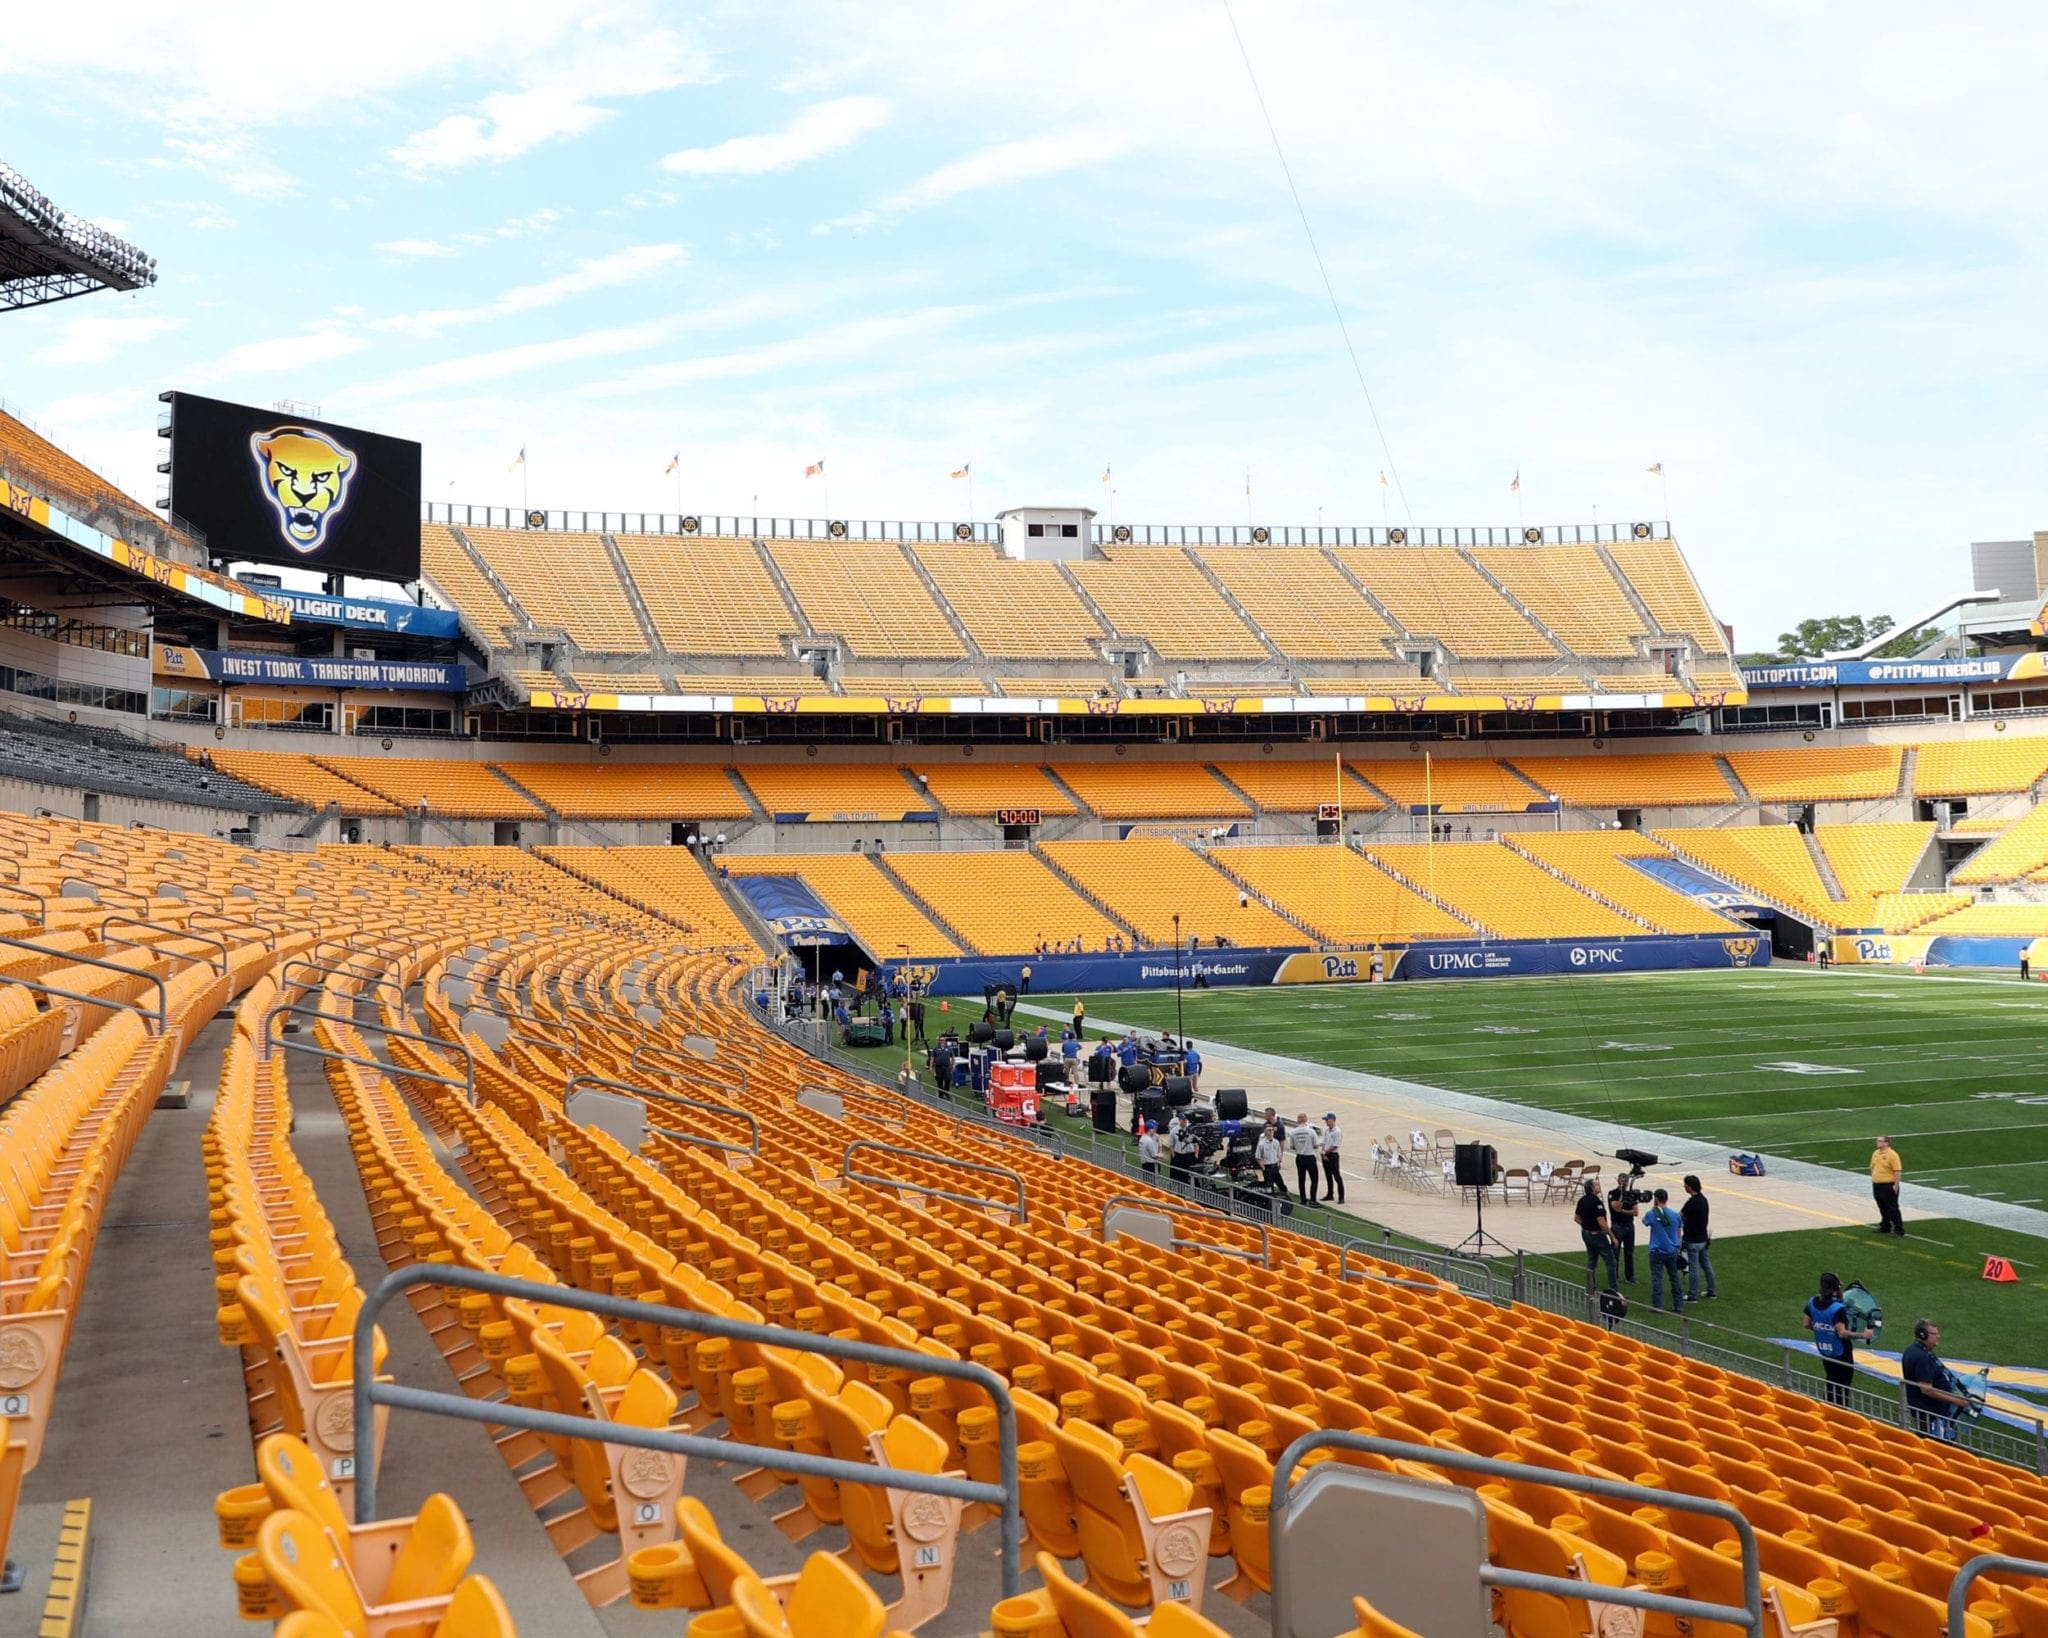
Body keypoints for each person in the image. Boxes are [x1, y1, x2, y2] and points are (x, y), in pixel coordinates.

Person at [1900, 1319, 1973, 1440]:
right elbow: (1926, 1389)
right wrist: (1956, 1400)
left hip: (1925, 1411)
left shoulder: (1913, 1351)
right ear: (1923, 1335)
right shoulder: (1922, 1357)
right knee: (1937, 1446)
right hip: (1931, 1414)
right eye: (1934, 1334)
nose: (1938, 1337)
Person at [1803, 1271, 1867, 1407]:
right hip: (1841, 1353)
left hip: (1825, 1350)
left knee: (1831, 1379)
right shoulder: (1837, 1309)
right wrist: (1863, 1335)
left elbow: (1806, 1324)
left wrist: (1823, 1329)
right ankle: (1839, 1413)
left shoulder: (1812, 1302)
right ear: (1835, 1289)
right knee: (1843, 1386)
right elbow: (1842, 1333)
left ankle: (1827, 1407)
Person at [1575, 1177, 1619, 1296]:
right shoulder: (1597, 1203)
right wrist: (1612, 1236)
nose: (1599, 1186)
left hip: (1586, 1233)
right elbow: (1601, 1222)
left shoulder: (1582, 1200)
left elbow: (1577, 1218)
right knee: (1610, 1261)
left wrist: (1586, 1225)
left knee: (1591, 1260)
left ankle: (1590, 1287)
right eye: (1597, 1185)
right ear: (1593, 1189)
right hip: (1597, 1235)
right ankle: (1614, 1291)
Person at [1643, 1188, 1684, 1314]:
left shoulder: (1652, 1214)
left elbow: (1645, 1222)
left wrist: (1654, 1207)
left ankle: (1657, 1305)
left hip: (1657, 1251)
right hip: (1671, 1251)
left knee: (1657, 1279)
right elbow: (1679, 1233)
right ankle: (1678, 1306)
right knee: (1674, 1278)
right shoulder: (1675, 1215)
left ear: (1656, 1199)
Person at [1680, 1174, 1716, 1301]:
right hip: (1703, 1238)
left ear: (1689, 1187)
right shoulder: (1703, 1199)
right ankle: (1711, 1290)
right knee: (1706, 1264)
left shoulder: (1692, 1202)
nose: (1684, 1187)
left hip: (1692, 1239)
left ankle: (1692, 1294)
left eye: (1685, 1185)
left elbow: (1681, 1215)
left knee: (1694, 1267)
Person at [1605, 1177, 1639, 1285]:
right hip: (1617, 1226)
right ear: (1618, 1181)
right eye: (1622, 1181)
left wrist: (1623, 1211)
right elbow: (1616, 1207)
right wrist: (1621, 1196)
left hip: (1629, 1226)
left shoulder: (1631, 1194)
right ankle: (1615, 1277)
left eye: (1625, 1181)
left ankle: (1630, 1277)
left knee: (1629, 1252)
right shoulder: (1612, 1193)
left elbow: (1635, 1212)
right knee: (1615, 1253)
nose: (1623, 1183)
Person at [1870, 1135, 1905, 1236]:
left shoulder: (1892, 1155)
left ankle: (1899, 1230)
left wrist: (1896, 1186)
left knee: (1892, 1208)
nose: (1877, 1142)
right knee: (1882, 1206)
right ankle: (1885, 1226)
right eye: (1877, 1140)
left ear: (1886, 1143)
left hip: (1888, 1185)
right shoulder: (1875, 1153)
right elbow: (1872, 1167)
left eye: (1880, 1141)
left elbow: (1897, 1171)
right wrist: (1873, 1179)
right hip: (1877, 1185)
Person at [1287, 1112, 1322, 1204]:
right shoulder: (1311, 1131)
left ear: (1298, 1121)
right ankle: (1313, 1199)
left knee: (1301, 1179)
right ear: (1306, 1120)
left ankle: (1303, 1199)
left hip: (1300, 1157)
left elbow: (1292, 1146)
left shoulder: (1294, 1132)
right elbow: (1316, 1145)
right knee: (1314, 1179)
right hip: (1309, 1156)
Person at [1320, 1112, 1345, 1204]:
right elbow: (1323, 1142)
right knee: (1328, 1176)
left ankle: (1341, 1196)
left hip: (1333, 1155)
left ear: (1332, 1120)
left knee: (1337, 1176)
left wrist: (1325, 1152)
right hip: (1325, 1154)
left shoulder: (1337, 1131)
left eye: (1327, 1120)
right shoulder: (1327, 1131)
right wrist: (1323, 1152)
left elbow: (1335, 1145)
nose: (1326, 1121)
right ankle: (1330, 1194)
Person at [1255, 1123, 1285, 1195]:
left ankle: (1285, 1195)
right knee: (1269, 1186)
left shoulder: (1276, 1142)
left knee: (1280, 1183)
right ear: (1265, 1131)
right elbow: (1258, 1157)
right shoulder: (1261, 1144)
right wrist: (1263, 1167)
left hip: (1275, 1166)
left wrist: (1278, 1162)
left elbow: (1279, 1153)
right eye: (1269, 1130)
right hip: (1267, 1167)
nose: (1271, 1131)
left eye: (1272, 1130)